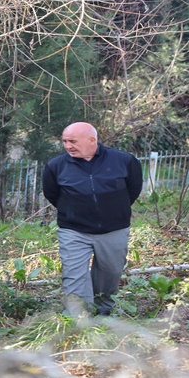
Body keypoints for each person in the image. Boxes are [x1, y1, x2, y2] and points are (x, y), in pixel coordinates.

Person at [42, 122, 143, 316]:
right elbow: (52, 194)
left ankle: (102, 314)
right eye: (64, 141)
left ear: (92, 140)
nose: (67, 146)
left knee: (110, 274)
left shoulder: (124, 161)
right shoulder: (56, 166)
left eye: (72, 141)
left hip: (114, 230)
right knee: (74, 276)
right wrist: (73, 211)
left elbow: (133, 189)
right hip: (74, 230)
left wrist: (114, 210)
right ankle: (78, 320)